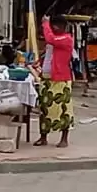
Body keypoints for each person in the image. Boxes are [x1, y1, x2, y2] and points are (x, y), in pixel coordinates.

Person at [36, 16, 75, 148]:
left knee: (63, 109)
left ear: (64, 26)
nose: (55, 28)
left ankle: (64, 139)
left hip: (61, 79)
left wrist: (45, 24)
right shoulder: (52, 39)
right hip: (46, 77)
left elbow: (50, 39)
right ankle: (43, 137)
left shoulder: (66, 39)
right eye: (54, 25)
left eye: (57, 25)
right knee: (45, 109)